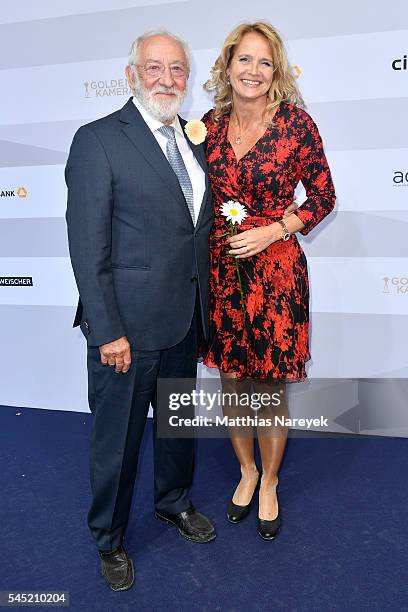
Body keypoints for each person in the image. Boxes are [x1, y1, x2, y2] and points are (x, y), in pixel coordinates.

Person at [65, 30, 215, 592]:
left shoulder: (194, 142)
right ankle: (109, 538)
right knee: (118, 440)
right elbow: (87, 246)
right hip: (125, 331)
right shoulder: (98, 140)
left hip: (183, 321)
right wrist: (107, 331)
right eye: (155, 68)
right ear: (131, 75)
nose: (167, 79)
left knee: (177, 427)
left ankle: (173, 502)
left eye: (177, 69)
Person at [201, 21, 336, 540]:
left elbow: (322, 199)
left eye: (263, 61)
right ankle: (246, 471)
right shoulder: (207, 127)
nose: (252, 71)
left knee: (268, 384)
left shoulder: (297, 126)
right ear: (227, 65)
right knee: (233, 378)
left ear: (275, 70)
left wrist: (273, 231)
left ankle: (271, 481)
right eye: (244, 60)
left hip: (276, 273)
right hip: (222, 272)